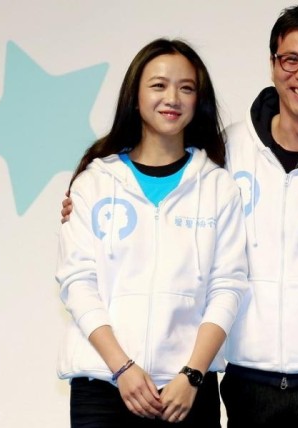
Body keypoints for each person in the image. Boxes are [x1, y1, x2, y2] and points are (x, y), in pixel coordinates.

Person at [61, 5, 298, 427]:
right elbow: (160, 186)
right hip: (250, 385)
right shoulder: (232, 150)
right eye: (291, 59)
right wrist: (85, 195)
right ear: (273, 64)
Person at [56, 38, 248, 428]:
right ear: (136, 96)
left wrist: (192, 374)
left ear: (198, 100)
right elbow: (77, 281)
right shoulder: (95, 182)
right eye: (159, 85)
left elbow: (227, 286)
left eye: (186, 88)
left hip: (187, 391)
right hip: (103, 388)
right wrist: (122, 368)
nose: (172, 98)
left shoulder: (218, 187)